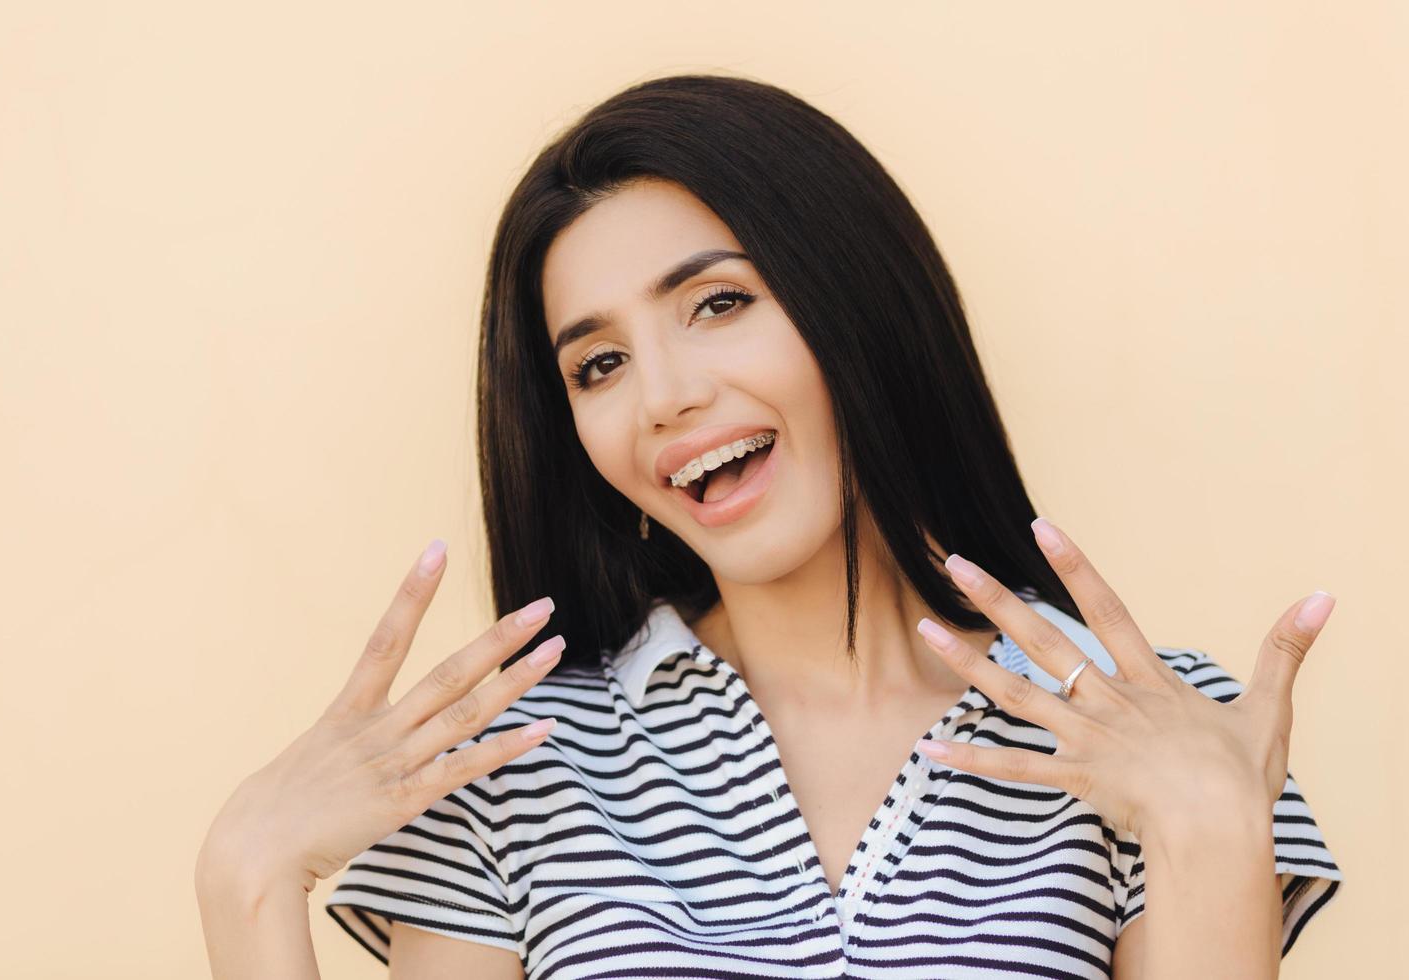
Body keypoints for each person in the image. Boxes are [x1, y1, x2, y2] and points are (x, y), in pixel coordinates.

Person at [195, 74, 1343, 979]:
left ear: (858, 301)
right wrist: (245, 877)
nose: (663, 396)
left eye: (719, 303)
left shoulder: (1154, 729)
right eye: (597, 364)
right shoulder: (509, 761)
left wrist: (1206, 824)